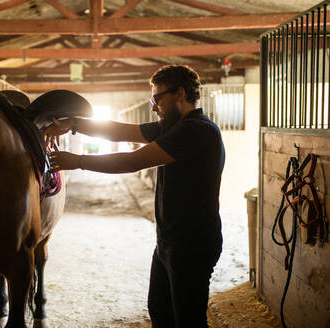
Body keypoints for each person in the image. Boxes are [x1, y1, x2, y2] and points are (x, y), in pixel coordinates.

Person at [44, 65, 225, 328]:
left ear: (180, 94)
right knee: (161, 313)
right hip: (169, 240)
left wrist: (79, 160)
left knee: (188, 321)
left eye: (157, 99)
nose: (154, 106)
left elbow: (133, 161)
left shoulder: (196, 130)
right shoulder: (176, 126)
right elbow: (122, 131)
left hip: (191, 244)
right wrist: (74, 124)